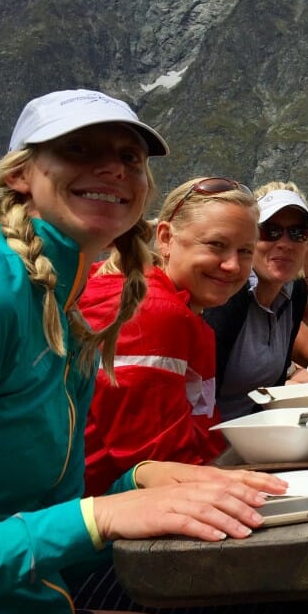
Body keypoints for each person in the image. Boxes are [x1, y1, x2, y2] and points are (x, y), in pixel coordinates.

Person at [0, 89, 285, 614]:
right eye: (80, 150)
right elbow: (66, 525)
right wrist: (99, 517)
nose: (111, 169)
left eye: (129, 158)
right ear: (21, 174)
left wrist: (140, 483)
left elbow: (38, 513)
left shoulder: (65, 313)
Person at [78, 176, 261, 494]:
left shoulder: (174, 307)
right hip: (98, 523)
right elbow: (159, 465)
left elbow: (199, 438)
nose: (232, 265)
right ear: (165, 238)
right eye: (216, 245)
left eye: (245, 251)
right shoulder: (150, 313)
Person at [205, 183, 308, 422]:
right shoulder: (228, 297)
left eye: (298, 233)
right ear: (249, 238)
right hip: (217, 441)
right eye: (270, 231)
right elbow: (200, 399)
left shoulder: (292, 292)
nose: (284, 243)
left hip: (258, 432)